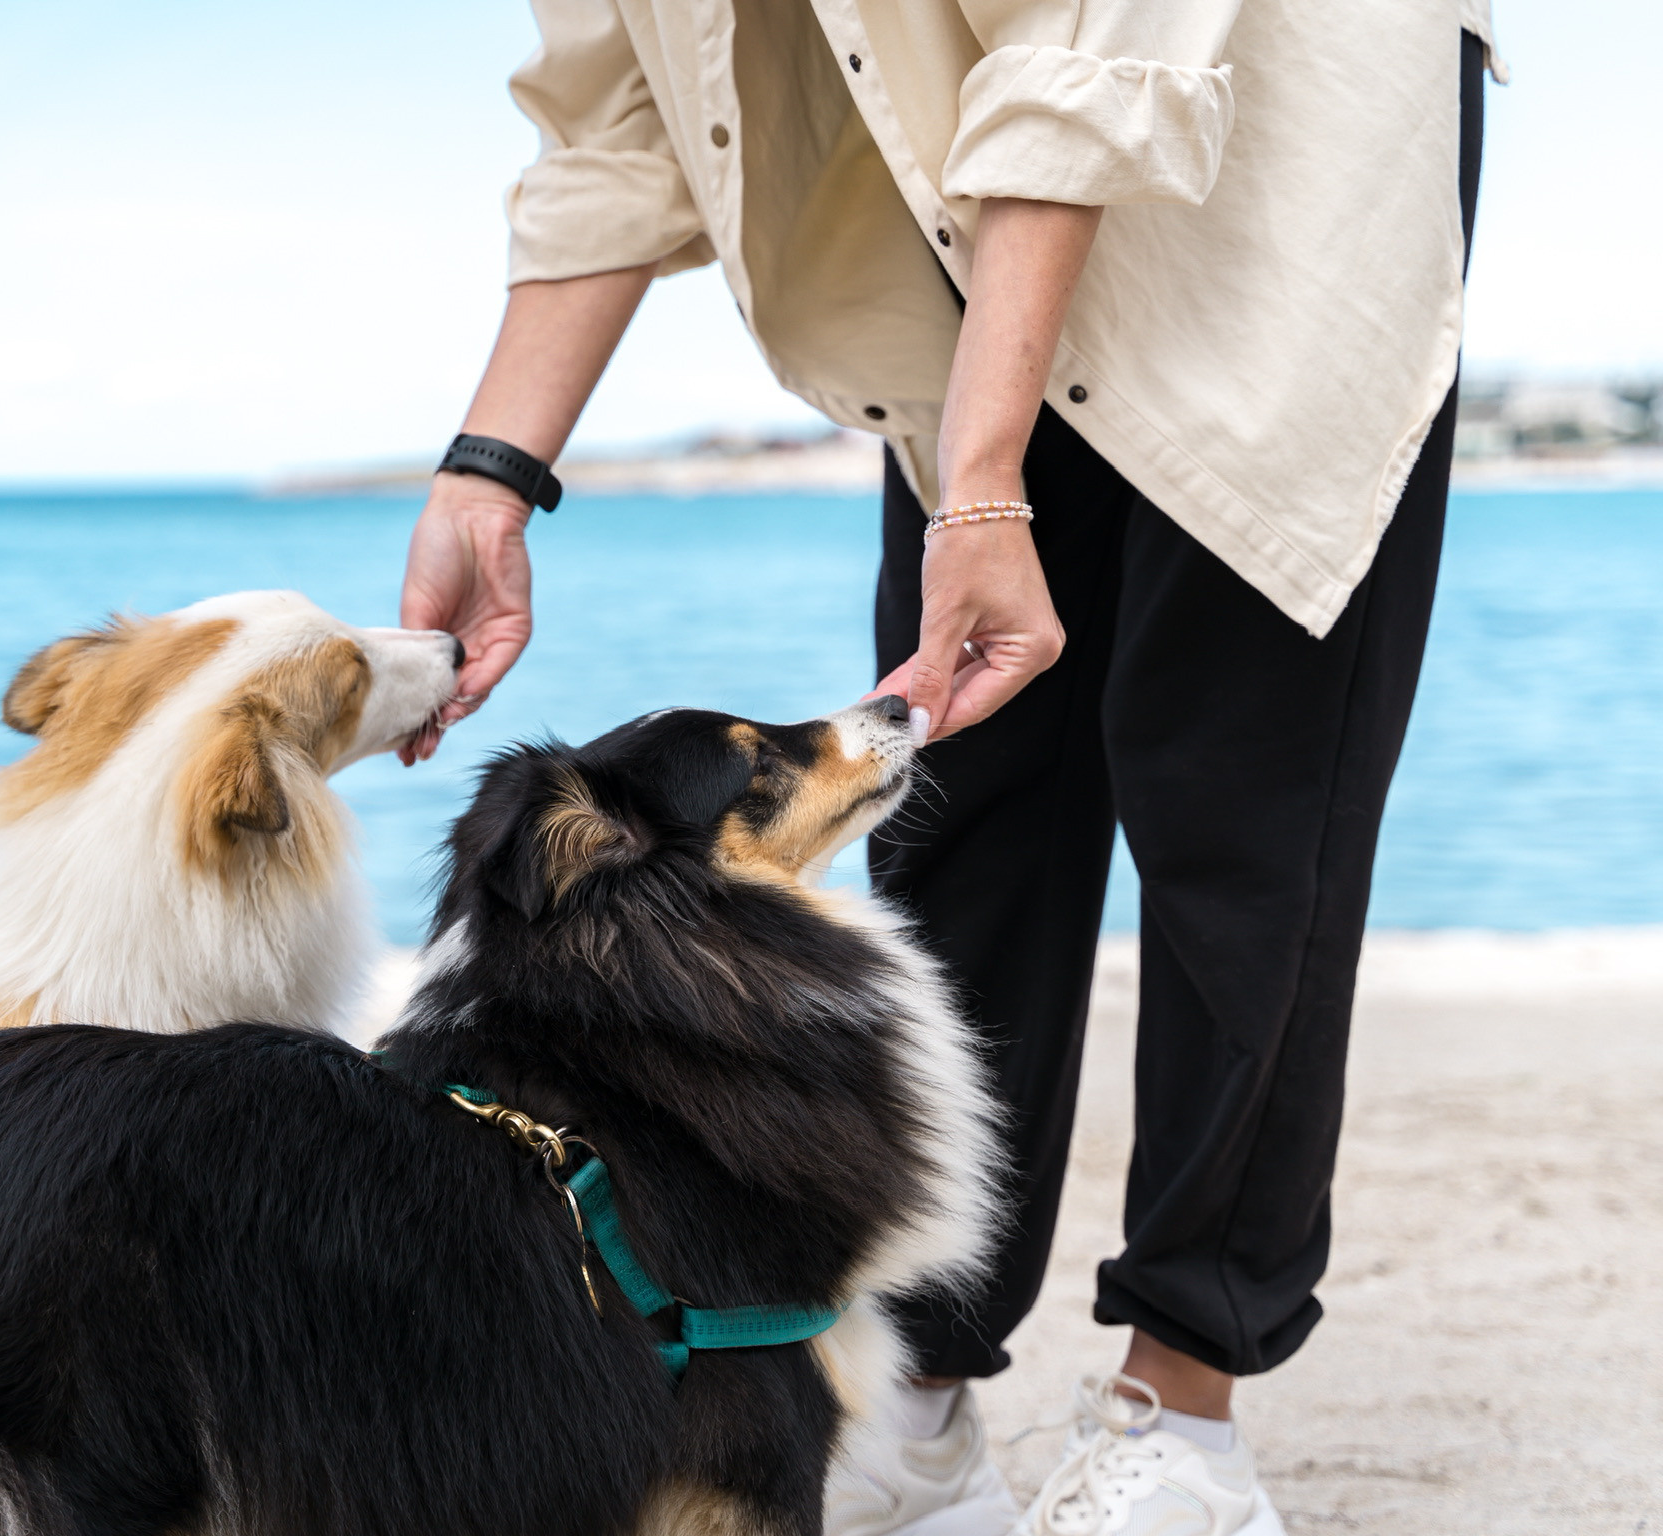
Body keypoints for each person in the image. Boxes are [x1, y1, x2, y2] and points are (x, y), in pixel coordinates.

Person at [396, 2, 1501, 1533]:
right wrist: (494, 471)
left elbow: (1099, 51)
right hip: (971, 225)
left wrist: (984, 493)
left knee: (1243, 819)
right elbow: (614, 120)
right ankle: (912, 1383)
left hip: (1275, 160)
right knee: (959, 800)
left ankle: (1183, 1408)